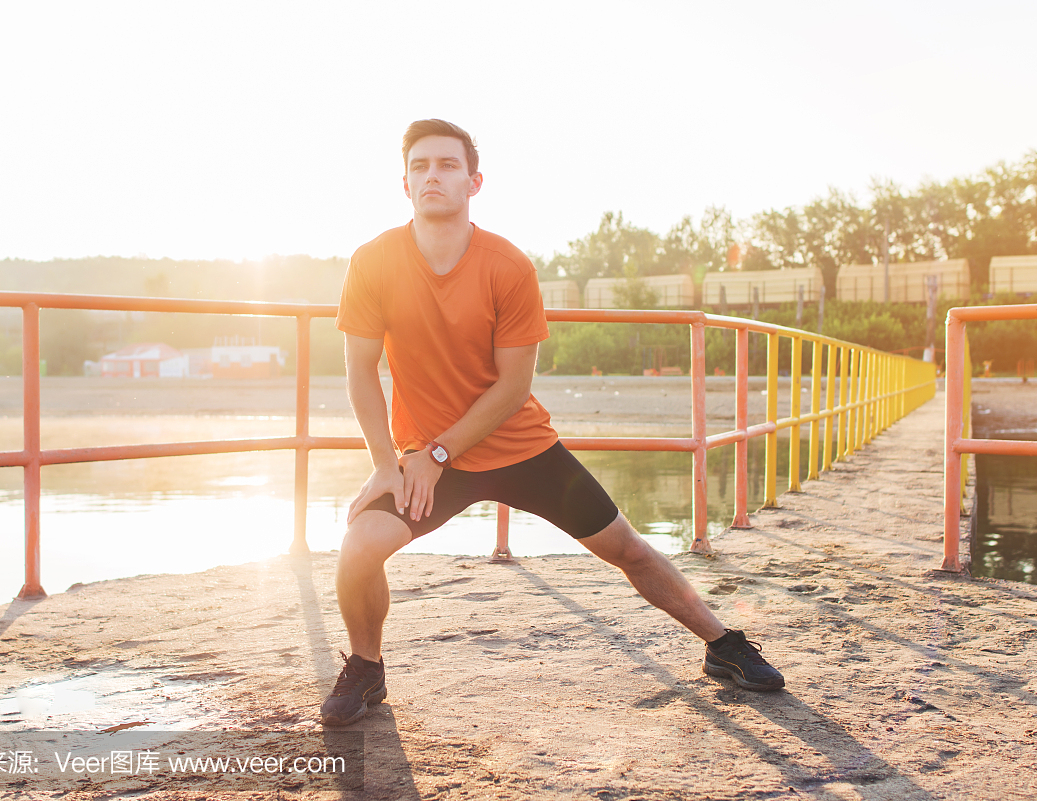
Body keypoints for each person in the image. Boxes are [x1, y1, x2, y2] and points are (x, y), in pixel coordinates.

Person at [322, 119, 783, 727]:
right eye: (420, 166)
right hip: (429, 460)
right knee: (359, 546)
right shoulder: (374, 261)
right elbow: (359, 370)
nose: (432, 176)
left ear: (474, 182)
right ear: (404, 183)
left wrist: (435, 455)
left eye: (448, 165)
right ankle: (367, 667)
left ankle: (723, 644)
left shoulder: (508, 266)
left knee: (627, 548)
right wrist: (387, 464)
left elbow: (512, 387)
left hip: (517, 449)